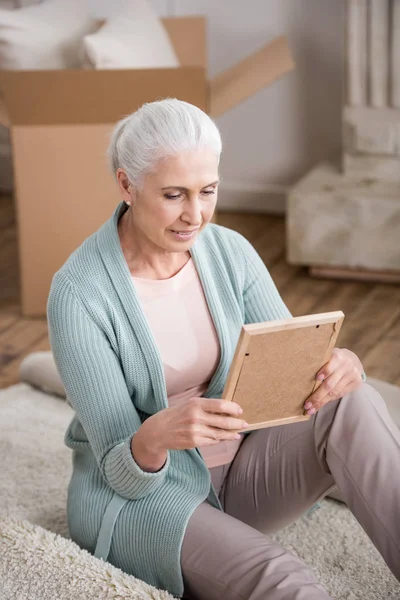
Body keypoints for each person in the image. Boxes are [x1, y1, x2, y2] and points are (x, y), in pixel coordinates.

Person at [47, 98, 400, 600]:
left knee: (354, 400)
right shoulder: (79, 294)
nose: (196, 215)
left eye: (207, 191)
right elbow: (119, 472)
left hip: (241, 474)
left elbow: (291, 367)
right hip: (147, 499)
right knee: (281, 578)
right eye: (174, 195)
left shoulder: (229, 251)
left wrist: (339, 368)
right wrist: (157, 435)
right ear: (127, 185)